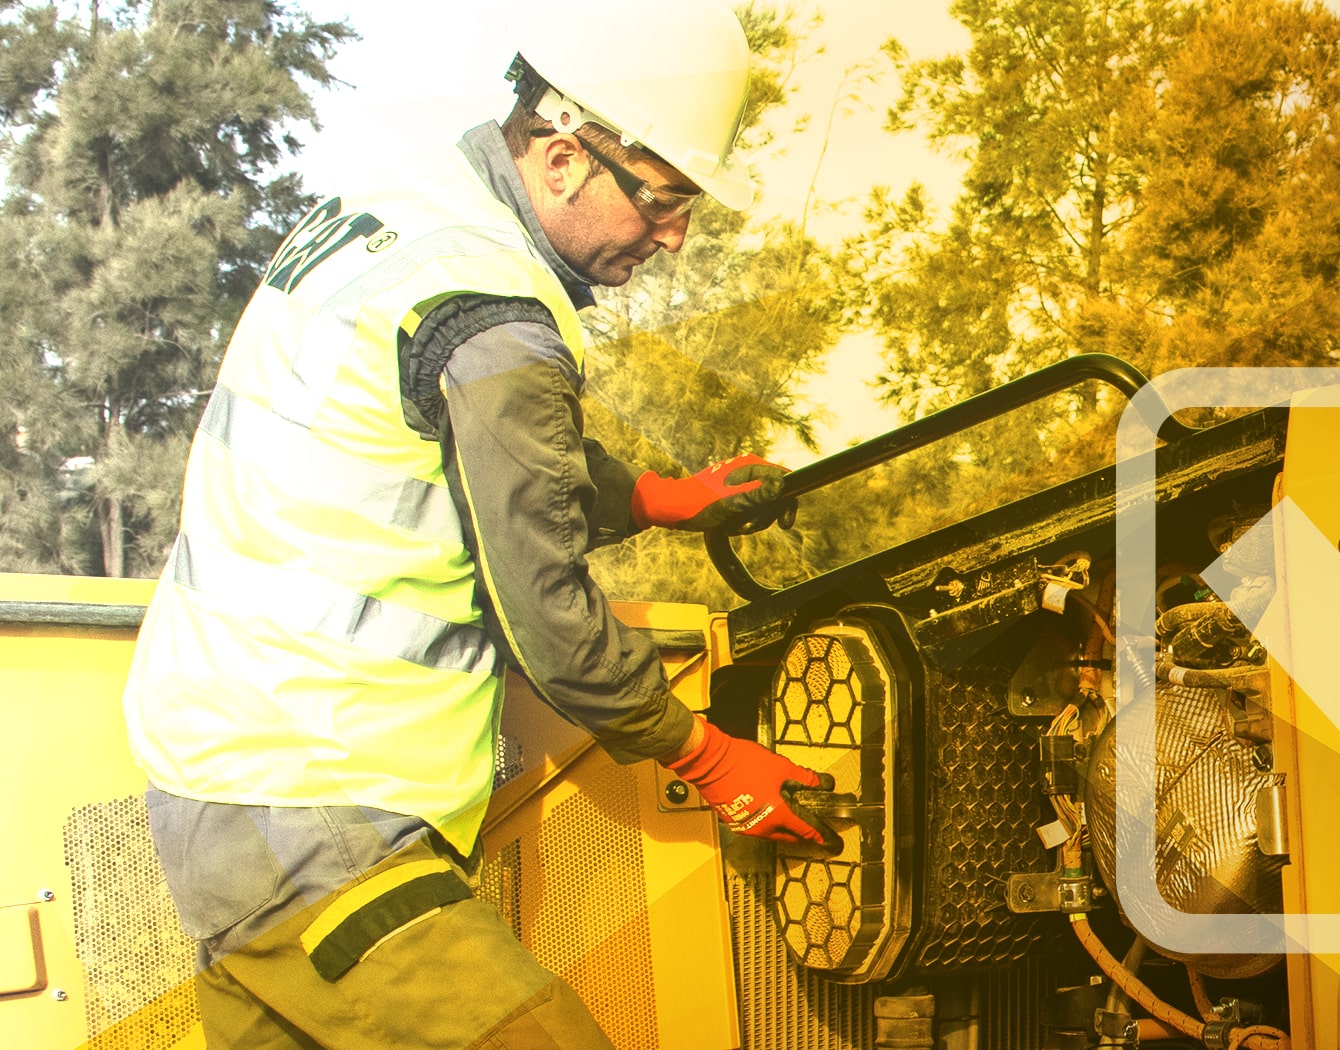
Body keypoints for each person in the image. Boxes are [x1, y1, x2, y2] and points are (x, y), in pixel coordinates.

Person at [120, 1, 827, 1044]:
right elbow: (549, 614)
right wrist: (707, 758)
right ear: (559, 158)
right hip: (317, 800)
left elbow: (431, 447)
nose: (673, 236)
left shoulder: (402, 218)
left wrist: (652, 499)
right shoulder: (493, 307)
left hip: (228, 780)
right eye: (663, 199)